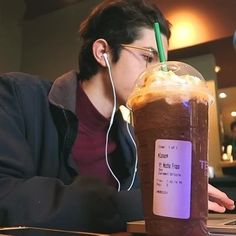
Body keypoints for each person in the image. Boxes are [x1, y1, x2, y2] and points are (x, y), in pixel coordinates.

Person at [0, 0, 234, 233]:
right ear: (103, 52)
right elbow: (6, 195)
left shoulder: (132, 140)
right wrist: (143, 202)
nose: (156, 71)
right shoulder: (18, 96)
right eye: (148, 57)